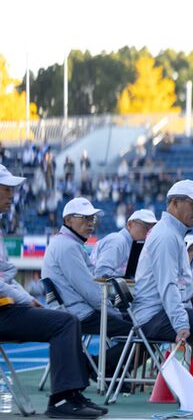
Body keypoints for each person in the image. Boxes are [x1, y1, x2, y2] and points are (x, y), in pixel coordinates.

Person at [0, 165, 107, 418]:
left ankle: (70, 395)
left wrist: (24, 299)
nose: (12, 195)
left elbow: (4, 274)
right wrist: (25, 298)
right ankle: (62, 400)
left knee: (67, 321)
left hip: (6, 306)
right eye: (6, 189)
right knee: (65, 323)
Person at [131, 180, 193, 409]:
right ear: (174, 203)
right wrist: (181, 323)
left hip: (156, 314)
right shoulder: (167, 236)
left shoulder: (171, 233)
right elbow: (168, 286)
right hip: (154, 318)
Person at [41, 197, 133, 375]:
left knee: (132, 326)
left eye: (92, 219)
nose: (90, 223)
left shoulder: (68, 244)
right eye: (85, 218)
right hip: (78, 314)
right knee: (138, 331)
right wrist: (116, 312)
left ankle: (104, 371)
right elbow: (90, 291)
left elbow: (93, 285)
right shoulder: (68, 247)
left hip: (74, 310)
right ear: (68, 220)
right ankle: (95, 368)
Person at [91, 209, 157, 278]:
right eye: (146, 227)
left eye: (152, 228)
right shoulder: (118, 240)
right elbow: (101, 272)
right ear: (130, 224)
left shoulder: (134, 244)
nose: (149, 232)